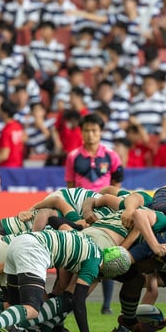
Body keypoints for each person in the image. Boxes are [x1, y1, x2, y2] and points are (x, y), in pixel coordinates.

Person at [0, 229, 132, 332]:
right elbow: (78, 300)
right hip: (34, 250)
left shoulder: (90, 246)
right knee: (33, 308)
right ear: (112, 270)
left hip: (19, 243)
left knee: (15, 304)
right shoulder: (94, 263)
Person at [64, 112, 124, 314]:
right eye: (87, 130)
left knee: (106, 253)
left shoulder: (111, 156)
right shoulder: (73, 157)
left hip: (104, 209)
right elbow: (70, 186)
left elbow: (117, 185)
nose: (90, 134)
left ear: (101, 132)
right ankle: (72, 296)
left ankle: (106, 305)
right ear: (81, 132)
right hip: (81, 207)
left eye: (94, 131)